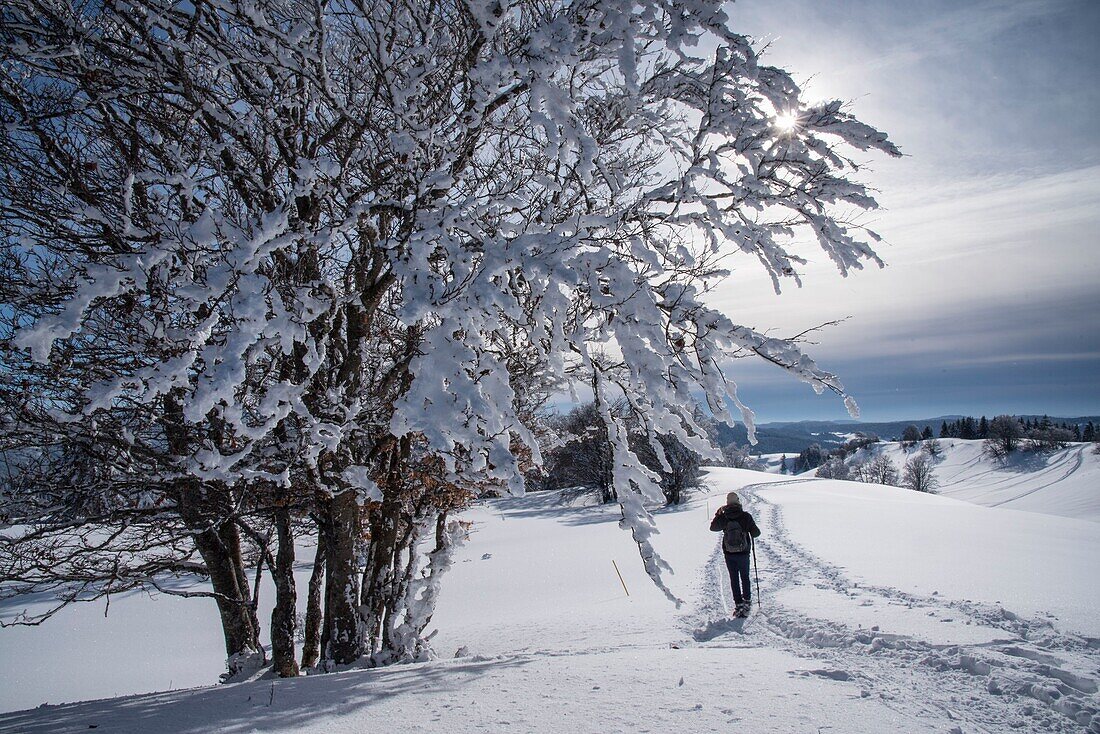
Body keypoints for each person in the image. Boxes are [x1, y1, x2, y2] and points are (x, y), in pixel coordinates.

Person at [710, 491, 761, 618]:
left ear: (727, 503)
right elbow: (756, 533)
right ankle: (747, 602)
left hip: (729, 553)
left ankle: (738, 604)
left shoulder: (724, 516)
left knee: (734, 578)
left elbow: (713, 527)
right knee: (745, 577)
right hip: (744, 553)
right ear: (738, 501)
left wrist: (718, 514)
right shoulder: (745, 516)